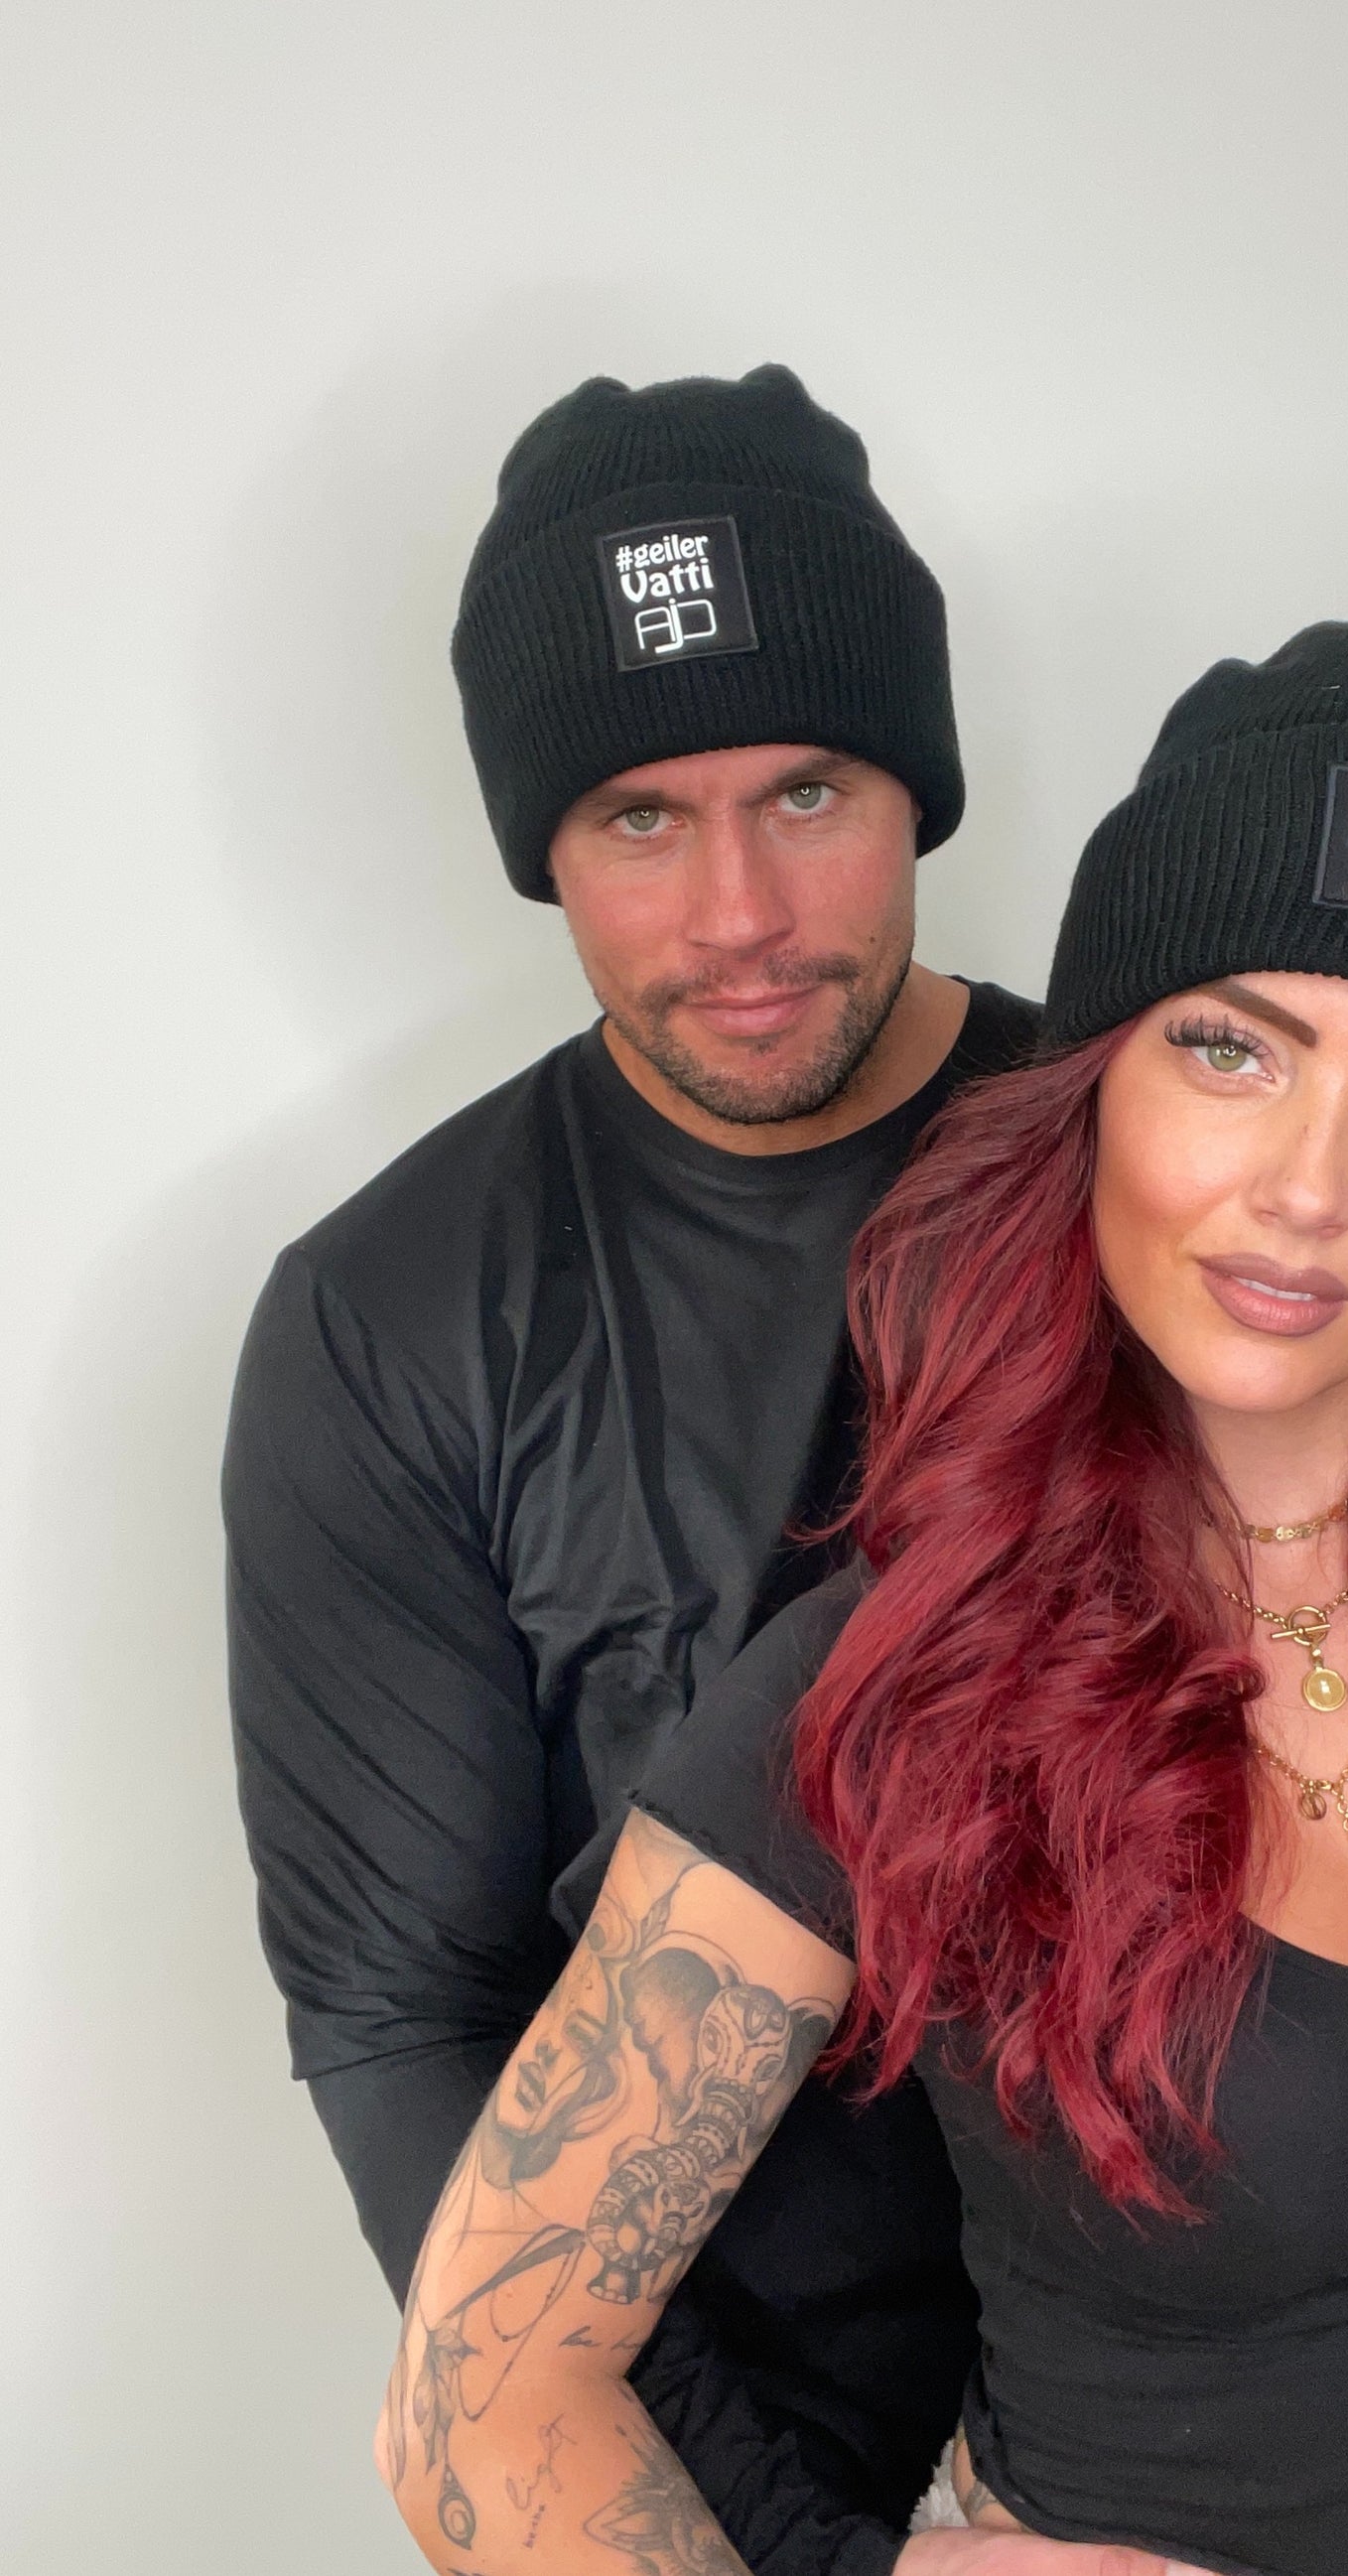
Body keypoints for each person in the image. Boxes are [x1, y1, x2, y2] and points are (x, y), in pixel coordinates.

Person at [379, 625, 1348, 2576]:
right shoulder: (898, 1682)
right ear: (1094, 1085)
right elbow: (477, 2401)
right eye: (1231, 1049)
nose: (1308, 1184)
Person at [226, 366, 1047, 2576]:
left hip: (1213, 2408)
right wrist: (799, 2551)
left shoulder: (1176, 1194)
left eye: (807, 790)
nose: (741, 912)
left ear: (917, 784)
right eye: (638, 819)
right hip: (697, 2455)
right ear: (543, 846)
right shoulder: (389, 1317)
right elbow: (410, 2025)